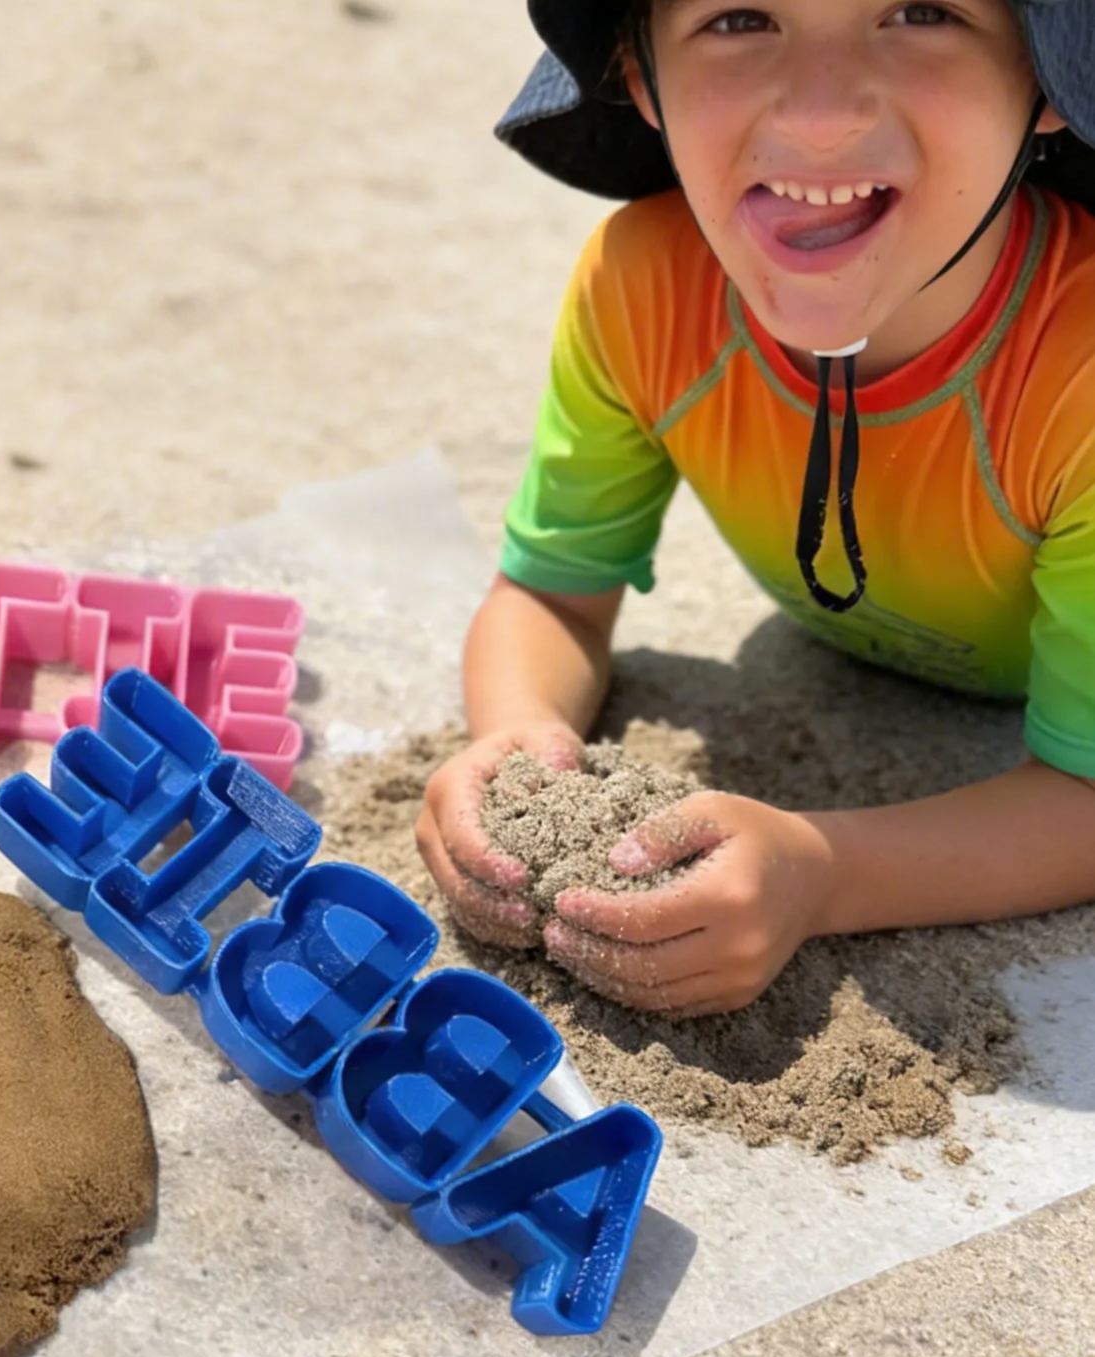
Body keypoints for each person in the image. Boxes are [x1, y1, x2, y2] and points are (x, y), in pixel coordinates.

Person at [417, 0, 1095, 1016]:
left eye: (920, 10)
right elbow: (551, 596)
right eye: (739, 16)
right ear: (638, 76)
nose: (820, 113)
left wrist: (825, 870)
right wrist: (516, 745)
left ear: (1047, 77)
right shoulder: (638, 287)